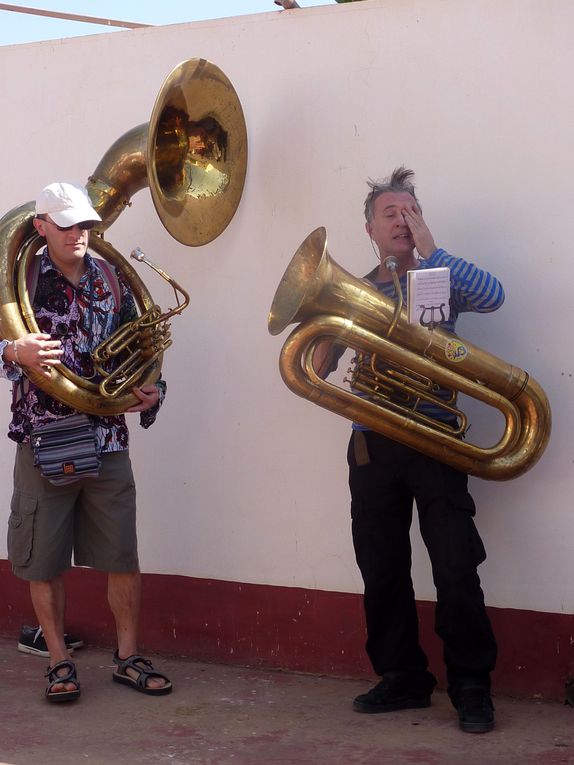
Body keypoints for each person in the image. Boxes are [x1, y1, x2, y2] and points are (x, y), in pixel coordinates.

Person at [315, 167, 503, 733]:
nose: (401, 221)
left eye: (410, 211)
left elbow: (494, 297)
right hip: (373, 448)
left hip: (437, 438)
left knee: (455, 567)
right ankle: (402, 677)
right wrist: (330, 319)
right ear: (369, 227)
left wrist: (433, 247)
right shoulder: (356, 289)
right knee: (382, 568)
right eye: (390, 214)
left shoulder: (442, 272)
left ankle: (471, 685)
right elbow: (320, 367)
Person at [1, 182, 172, 703]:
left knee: (122, 555)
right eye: (68, 224)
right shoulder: (19, 278)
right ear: (41, 226)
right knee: (44, 559)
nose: (81, 234)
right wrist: (13, 351)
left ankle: (127, 657)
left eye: (87, 225)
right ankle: (58, 660)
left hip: (106, 435)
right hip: (44, 435)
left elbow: (143, 343)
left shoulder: (112, 277)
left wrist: (152, 390)